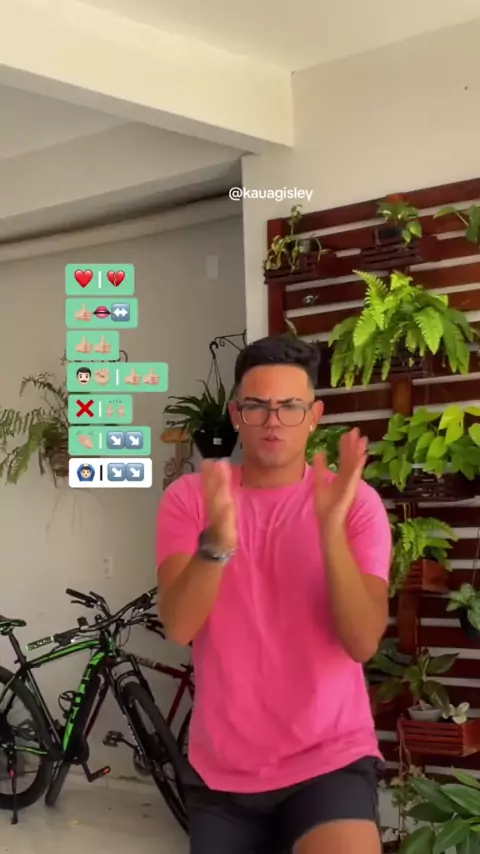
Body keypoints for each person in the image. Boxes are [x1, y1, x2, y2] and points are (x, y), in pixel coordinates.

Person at [156, 336, 391, 854]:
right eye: (258, 406)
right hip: (224, 770)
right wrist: (217, 543)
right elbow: (178, 626)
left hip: (329, 758)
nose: (273, 421)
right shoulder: (192, 499)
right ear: (236, 415)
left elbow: (362, 642)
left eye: (290, 406)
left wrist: (330, 533)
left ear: (314, 416)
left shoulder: (355, 503)